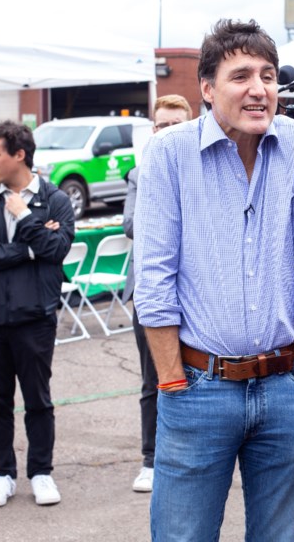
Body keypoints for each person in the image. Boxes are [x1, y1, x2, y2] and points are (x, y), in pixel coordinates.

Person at [133, 19, 294, 541]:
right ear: (206, 88)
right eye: (241, 75)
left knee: (280, 537)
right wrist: (172, 380)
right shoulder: (169, 154)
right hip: (198, 389)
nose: (259, 88)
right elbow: (154, 280)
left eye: (267, 75)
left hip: (290, 388)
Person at [0, 120, 75, 509]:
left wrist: (26, 217)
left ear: (19, 155)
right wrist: (26, 251)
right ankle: (2, 474)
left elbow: (57, 251)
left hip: (34, 318)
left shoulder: (55, 200)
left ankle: (41, 472)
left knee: (38, 400)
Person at [122, 94, 191, 493]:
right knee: (154, 378)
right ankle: (151, 458)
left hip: (196, 289)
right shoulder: (139, 174)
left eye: (176, 125)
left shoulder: (206, 169)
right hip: (151, 291)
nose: (168, 132)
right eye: (162, 126)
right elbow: (132, 224)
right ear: (153, 130)